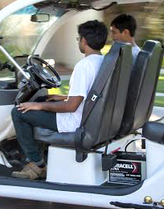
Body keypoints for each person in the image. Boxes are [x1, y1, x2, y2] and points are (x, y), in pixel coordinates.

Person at [10, 20, 108, 180]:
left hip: (74, 121)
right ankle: (42, 156)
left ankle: (38, 164)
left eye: (79, 39)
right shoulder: (102, 62)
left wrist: (37, 105)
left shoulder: (84, 66)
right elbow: (89, 96)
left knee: (19, 112)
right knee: (44, 99)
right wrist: (61, 97)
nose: (79, 42)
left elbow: (71, 106)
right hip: (88, 115)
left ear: (84, 40)